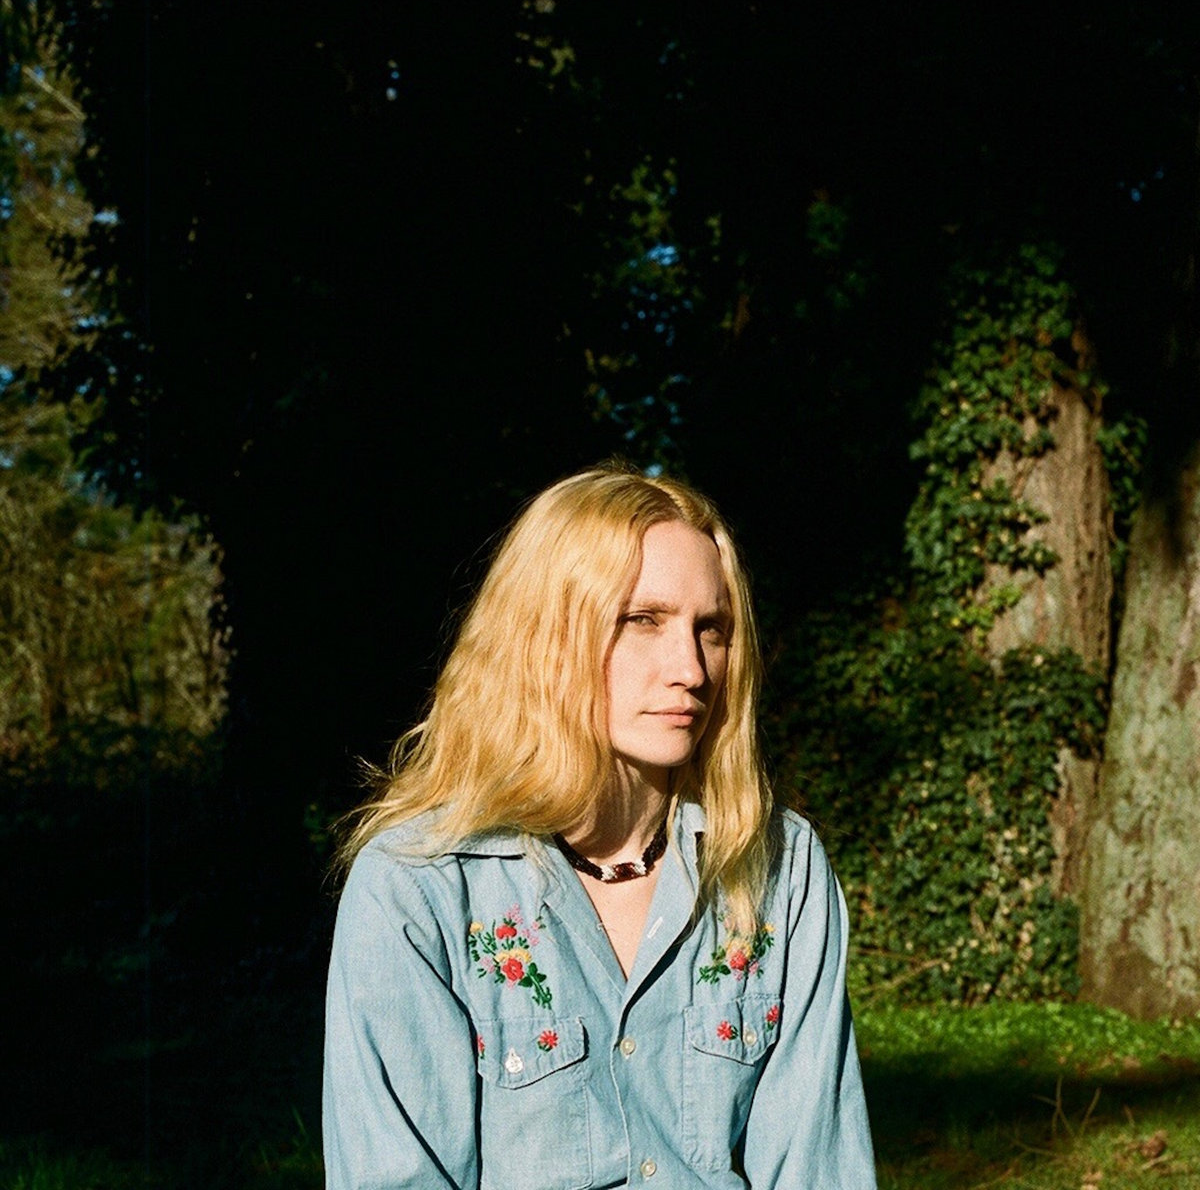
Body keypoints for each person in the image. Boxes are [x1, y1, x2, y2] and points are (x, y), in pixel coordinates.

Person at [323, 464, 877, 1189]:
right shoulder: (419, 884)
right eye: (642, 620)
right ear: (544, 635)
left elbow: (819, 1168)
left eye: (711, 629)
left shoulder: (779, 865)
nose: (691, 669)